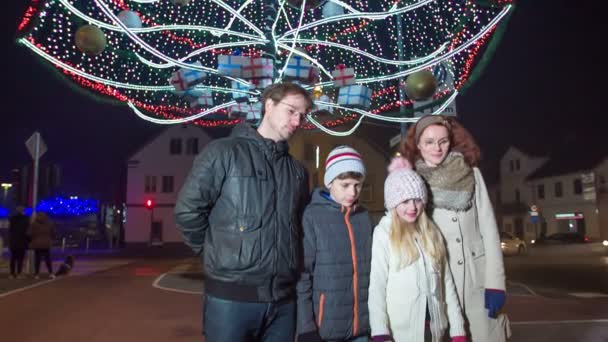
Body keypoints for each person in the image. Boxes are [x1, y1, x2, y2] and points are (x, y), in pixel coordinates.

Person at [174, 82, 313, 342]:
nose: (297, 121)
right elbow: (187, 211)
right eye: (292, 111)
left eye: (302, 116)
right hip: (230, 302)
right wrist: (212, 251)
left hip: (283, 302)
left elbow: (299, 227)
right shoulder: (223, 153)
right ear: (269, 104)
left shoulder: (297, 172)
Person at [401, 114, 509, 341]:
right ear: (418, 145)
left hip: (477, 282)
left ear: (452, 141)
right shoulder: (411, 182)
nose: (437, 148)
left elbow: (489, 230)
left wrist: (496, 283)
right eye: (429, 142)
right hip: (438, 286)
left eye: (443, 141)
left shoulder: (472, 174)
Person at [368, 157, 466, 342]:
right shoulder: (383, 233)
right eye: (405, 201)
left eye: (417, 200)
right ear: (393, 203)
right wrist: (380, 331)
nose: (412, 207)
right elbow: (377, 286)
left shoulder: (432, 232)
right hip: (400, 334)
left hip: (435, 332)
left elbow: (447, 284)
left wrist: (458, 329)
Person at [297, 146, 372, 342]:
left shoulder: (364, 218)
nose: (352, 192)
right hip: (325, 331)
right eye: (345, 184)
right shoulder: (312, 216)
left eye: (358, 185)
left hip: (363, 329)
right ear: (330, 182)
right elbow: (302, 275)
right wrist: (306, 327)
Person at [28, 212, 55, 279]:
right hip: (46, 243)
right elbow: (53, 233)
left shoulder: (34, 224)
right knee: (47, 259)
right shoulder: (49, 224)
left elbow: (29, 233)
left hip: (37, 243)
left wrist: (31, 240)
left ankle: (36, 274)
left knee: (37, 260)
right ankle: (51, 273)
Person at [8, 206, 29, 279]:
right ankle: (19, 273)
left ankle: (12, 273)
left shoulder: (12, 219)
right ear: (23, 211)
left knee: (13, 258)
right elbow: (27, 232)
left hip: (14, 241)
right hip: (22, 242)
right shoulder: (26, 219)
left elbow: (10, 230)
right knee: (20, 259)